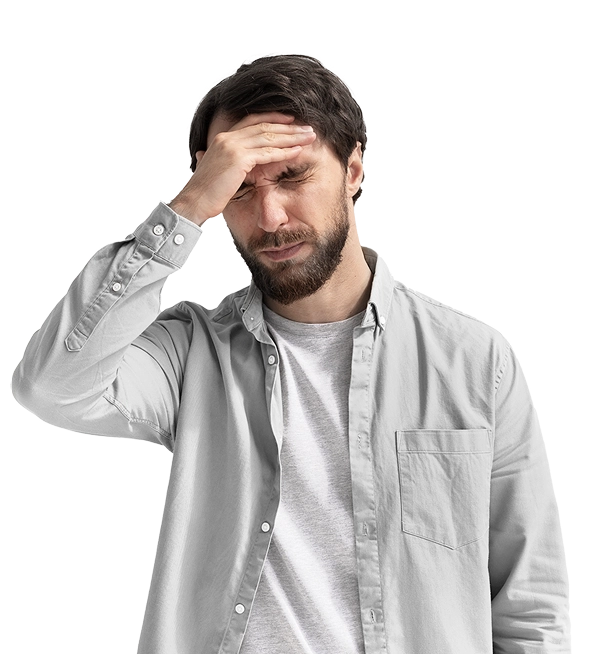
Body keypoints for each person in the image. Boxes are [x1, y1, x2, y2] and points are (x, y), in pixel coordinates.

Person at [11, 53, 571, 653]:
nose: (270, 217)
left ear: (353, 169)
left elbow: (531, 607)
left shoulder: (473, 361)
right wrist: (187, 207)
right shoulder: (190, 354)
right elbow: (52, 386)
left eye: (293, 176)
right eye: (239, 188)